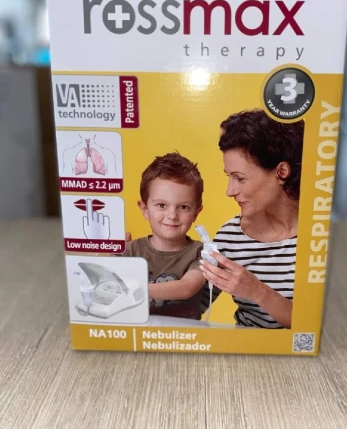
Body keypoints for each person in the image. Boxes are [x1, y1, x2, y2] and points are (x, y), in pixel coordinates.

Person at [200, 109, 304, 329]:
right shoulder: (230, 236)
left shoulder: (319, 234)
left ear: (281, 172)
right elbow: (191, 307)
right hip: (245, 346)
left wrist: (258, 292)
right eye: (229, 177)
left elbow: (316, 324)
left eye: (239, 178)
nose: (229, 191)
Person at [123, 152, 205, 319]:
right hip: (139, 331)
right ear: (145, 209)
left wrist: (134, 288)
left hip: (185, 334)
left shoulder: (201, 253)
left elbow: (187, 287)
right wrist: (110, 260)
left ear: (196, 213)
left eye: (183, 207)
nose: (172, 215)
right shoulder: (129, 251)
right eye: (161, 205)